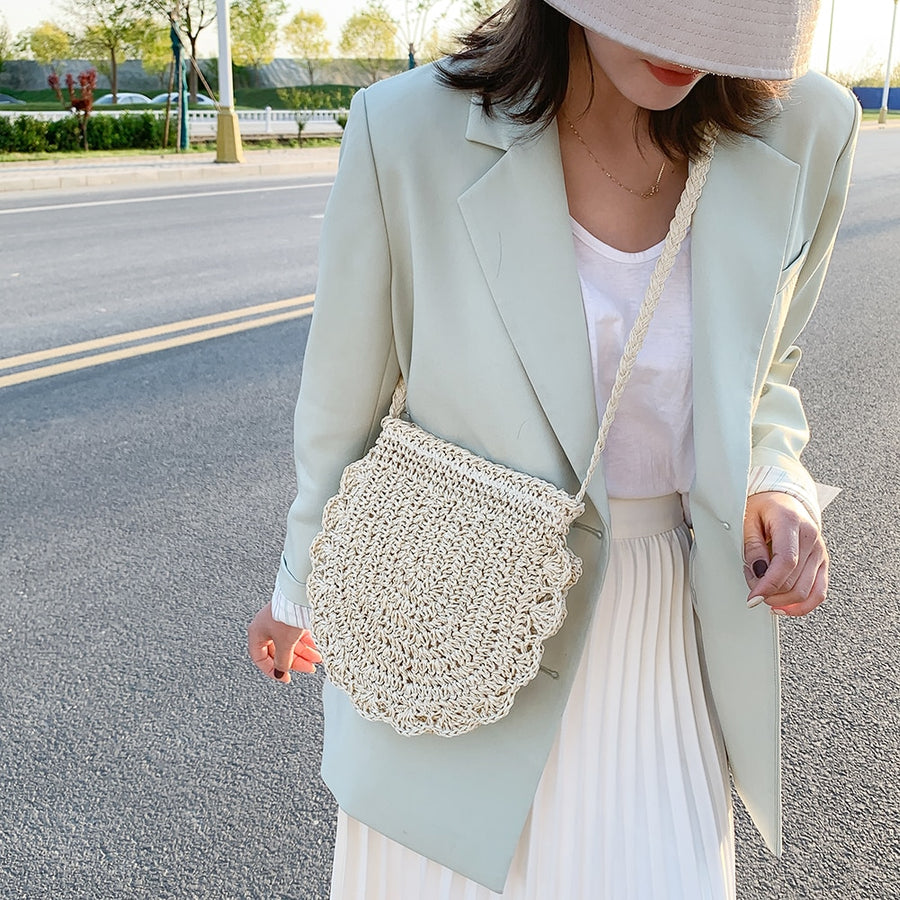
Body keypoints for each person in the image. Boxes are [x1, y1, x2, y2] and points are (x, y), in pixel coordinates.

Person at [247, 0, 860, 896]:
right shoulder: (408, 129)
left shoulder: (806, 128)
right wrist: (298, 587)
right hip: (449, 620)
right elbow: (341, 403)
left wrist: (777, 484)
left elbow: (768, 372)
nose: (690, 48)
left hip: (659, 645)